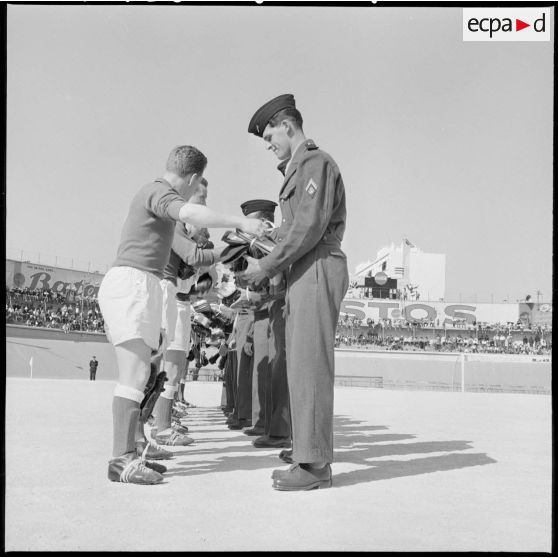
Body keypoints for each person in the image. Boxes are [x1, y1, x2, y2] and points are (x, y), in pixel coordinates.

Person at [98, 144, 265, 485]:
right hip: (134, 282)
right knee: (135, 374)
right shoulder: (159, 192)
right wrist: (240, 223)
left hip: (145, 283)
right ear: (193, 178)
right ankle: (121, 459)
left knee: (144, 373)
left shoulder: (157, 193)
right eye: (197, 186)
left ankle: (132, 450)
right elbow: (188, 220)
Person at [243, 94, 349, 491]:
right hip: (304, 268)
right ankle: (307, 451)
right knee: (301, 367)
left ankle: (315, 464)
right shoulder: (301, 167)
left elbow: (307, 228)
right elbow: (296, 229)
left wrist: (267, 265)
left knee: (310, 366)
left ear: (288, 126)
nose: (268, 142)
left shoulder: (315, 163)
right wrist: (265, 240)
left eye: (270, 134)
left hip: (316, 266)